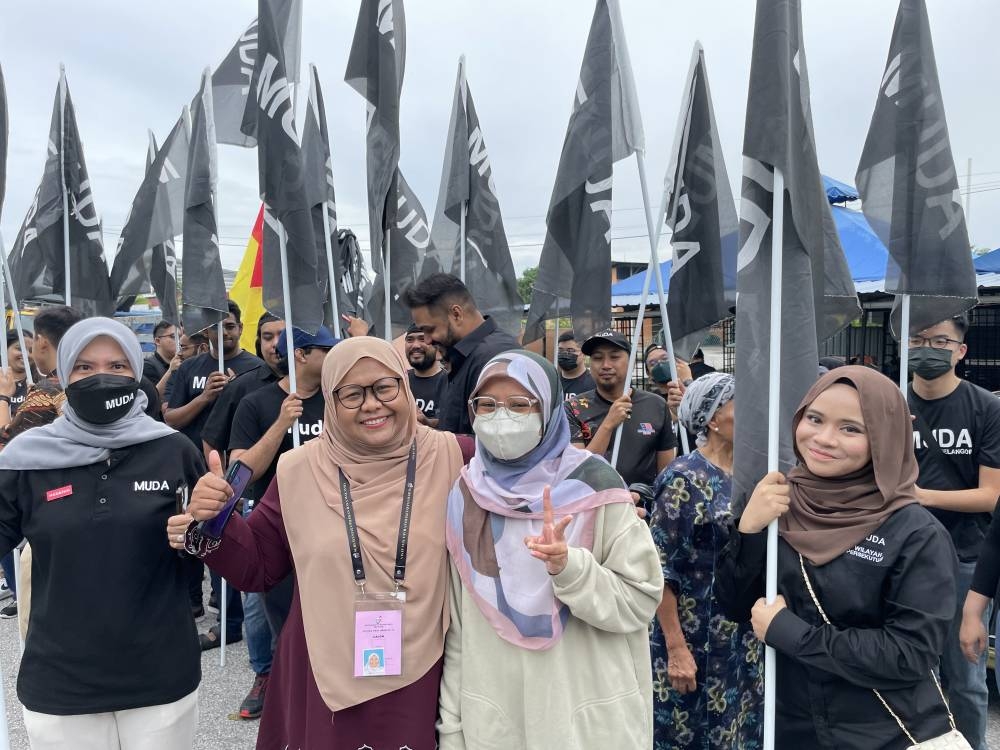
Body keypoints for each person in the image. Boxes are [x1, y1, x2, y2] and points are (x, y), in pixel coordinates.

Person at [168, 337, 466, 748]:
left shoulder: (456, 459)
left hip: (429, 663)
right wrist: (215, 519)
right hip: (323, 664)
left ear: (404, 386)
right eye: (352, 393)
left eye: (384, 387)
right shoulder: (299, 469)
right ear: (329, 400)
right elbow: (258, 567)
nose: (372, 404)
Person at [715, 366, 959, 749]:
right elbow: (733, 605)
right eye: (814, 418)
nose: (824, 439)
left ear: (883, 438)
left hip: (881, 732)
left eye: (851, 429)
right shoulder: (777, 501)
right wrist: (749, 531)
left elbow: (910, 654)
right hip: (790, 725)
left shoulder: (914, 532)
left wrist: (793, 634)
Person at [437, 350, 662, 748]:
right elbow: (459, 628)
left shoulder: (595, 486)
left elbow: (640, 599)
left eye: (520, 405)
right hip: (498, 719)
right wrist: (453, 730)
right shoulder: (465, 494)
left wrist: (571, 568)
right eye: (486, 405)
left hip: (586, 719)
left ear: (550, 409)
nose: (501, 417)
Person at [0, 317, 205, 749]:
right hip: (61, 680)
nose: (102, 377)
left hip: (160, 675)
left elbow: (205, 552)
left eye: (116, 366)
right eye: (85, 367)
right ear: (64, 371)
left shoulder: (173, 450)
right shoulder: (26, 459)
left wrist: (214, 523)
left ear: (136, 371)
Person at [224, 325, 336, 716]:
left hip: (333, 523)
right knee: (265, 608)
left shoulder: (339, 400)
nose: (333, 357)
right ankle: (268, 675)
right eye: (327, 350)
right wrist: (281, 424)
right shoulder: (256, 403)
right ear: (302, 354)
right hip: (276, 523)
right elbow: (239, 472)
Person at [648, 373, 762, 749]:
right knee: (689, 733)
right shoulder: (682, 478)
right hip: (693, 635)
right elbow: (661, 570)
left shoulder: (752, 474)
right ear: (713, 418)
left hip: (742, 637)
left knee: (740, 729)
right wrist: (676, 647)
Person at [906, 315, 1000, 750]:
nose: (928, 347)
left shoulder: (986, 408)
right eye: (918, 339)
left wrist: (921, 497)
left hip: (965, 557)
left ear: (961, 350)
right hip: (900, 556)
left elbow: (991, 496)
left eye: (941, 340)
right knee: (906, 672)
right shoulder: (889, 401)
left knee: (966, 680)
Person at [165, 301, 263, 622]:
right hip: (189, 468)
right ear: (207, 332)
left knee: (224, 539)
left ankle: (226, 611)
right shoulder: (189, 369)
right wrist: (205, 397)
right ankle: (192, 600)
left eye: (231, 327)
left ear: (240, 329)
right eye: (218, 328)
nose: (225, 334)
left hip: (229, 473)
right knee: (188, 537)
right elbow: (171, 419)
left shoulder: (255, 368)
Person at [0, 306, 81, 621]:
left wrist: (5, 396)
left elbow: (9, 436)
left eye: (32, 341)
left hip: (50, 504)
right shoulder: (85, 384)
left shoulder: (46, 390)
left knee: (42, 608)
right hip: (89, 499)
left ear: (43, 342)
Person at [403, 272, 520, 434]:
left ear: (456, 315)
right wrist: (430, 424)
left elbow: (499, 443)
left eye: (429, 330)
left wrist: (437, 442)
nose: (427, 341)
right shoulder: (465, 355)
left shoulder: (494, 358)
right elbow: (463, 424)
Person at [565, 330, 676, 489]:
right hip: (593, 507)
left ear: (630, 362)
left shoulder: (656, 405)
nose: (605, 365)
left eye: (614, 357)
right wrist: (608, 424)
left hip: (643, 509)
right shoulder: (573, 408)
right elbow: (578, 472)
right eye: (597, 358)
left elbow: (666, 475)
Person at [404, 323, 448, 428]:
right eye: (410, 340)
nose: (415, 345)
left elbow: (452, 425)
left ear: (436, 346)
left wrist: (426, 422)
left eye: (422, 339)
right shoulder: (401, 380)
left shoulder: (450, 382)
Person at [144, 320, 181, 402]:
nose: (180, 341)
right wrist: (171, 371)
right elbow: (151, 399)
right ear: (157, 341)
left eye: (181, 336)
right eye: (173, 336)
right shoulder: (147, 366)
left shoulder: (186, 362)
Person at [556, 330, 595, 399]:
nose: (565, 354)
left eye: (570, 350)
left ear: (584, 353)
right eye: (560, 350)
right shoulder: (552, 381)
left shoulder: (594, 384)